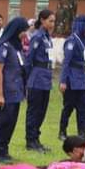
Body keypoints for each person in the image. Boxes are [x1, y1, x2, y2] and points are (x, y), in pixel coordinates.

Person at [0, 16, 30, 162]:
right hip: (6, 91)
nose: (25, 34)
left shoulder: (16, 47)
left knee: (12, 122)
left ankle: (4, 150)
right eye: (23, 31)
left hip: (16, 91)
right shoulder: (4, 47)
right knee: (3, 122)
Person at [24, 10, 55, 153]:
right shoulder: (37, 36)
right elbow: (29, 59)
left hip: (46, 77)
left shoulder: (47, 37)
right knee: (34, 111)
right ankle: (30, 140)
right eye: (50, 20)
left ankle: (36, 138)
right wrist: (30, 77)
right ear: (42, 20)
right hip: (37, 77)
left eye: (53, 21)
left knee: (42, 111)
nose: (52, 24)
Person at [58, 15, 85, 140]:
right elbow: (66, 62)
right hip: (71, 78)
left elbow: (84, 63)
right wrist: (63, 81)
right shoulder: (72, 41)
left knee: (83, 107)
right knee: (68, 106)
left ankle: (82, 132)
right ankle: (62, 131)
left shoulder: (84, 41)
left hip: (81, 79)